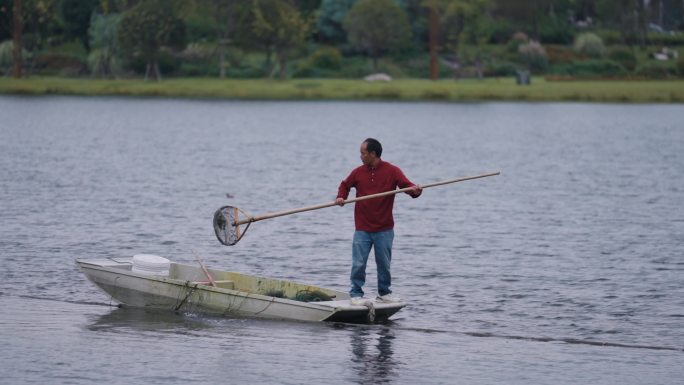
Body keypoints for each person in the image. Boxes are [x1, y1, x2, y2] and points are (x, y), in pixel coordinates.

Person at [336, 138, 422, 305]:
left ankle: (384, 293)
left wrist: (416, 191)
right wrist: (341, 197)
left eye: (363, 153)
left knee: (384, 264)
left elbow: (408, 187)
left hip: (384, 228)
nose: (360, 156)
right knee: (358, 263)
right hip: (362, 228)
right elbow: (345, 185)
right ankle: (356, 294)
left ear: (373, 154)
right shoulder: (358, 172)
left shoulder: (392, 171)